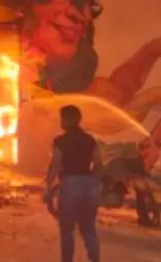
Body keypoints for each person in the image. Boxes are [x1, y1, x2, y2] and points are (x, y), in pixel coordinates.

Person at [45, 105, 103, 262]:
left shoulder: (60, 141)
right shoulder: (89, 140)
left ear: (67, 120)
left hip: (71, 185)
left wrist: (48, 187)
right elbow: (98, 163)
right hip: (90, 186)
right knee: (89, 229)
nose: (60, 122)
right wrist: (95, 183)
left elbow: (56, 164)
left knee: (67, 230)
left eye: (62, 118)